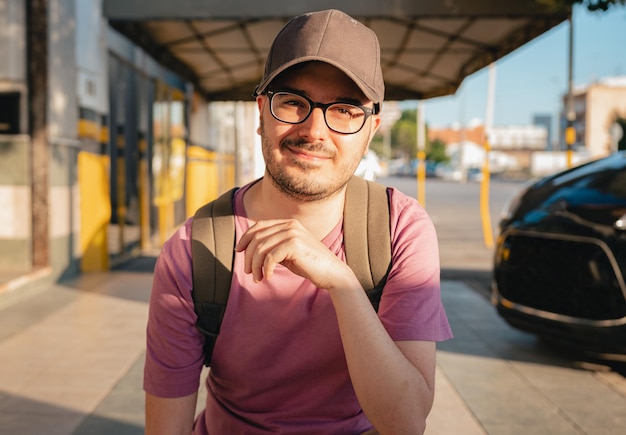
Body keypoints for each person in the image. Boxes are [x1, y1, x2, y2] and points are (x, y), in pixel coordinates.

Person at [144, 9, 452, 435]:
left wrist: (340, 283)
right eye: (292, 102)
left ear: (370, 130)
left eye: (344, 110)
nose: (314, 129)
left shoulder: (400, 228)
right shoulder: (194, 250)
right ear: (261, 113)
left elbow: (406, 422)